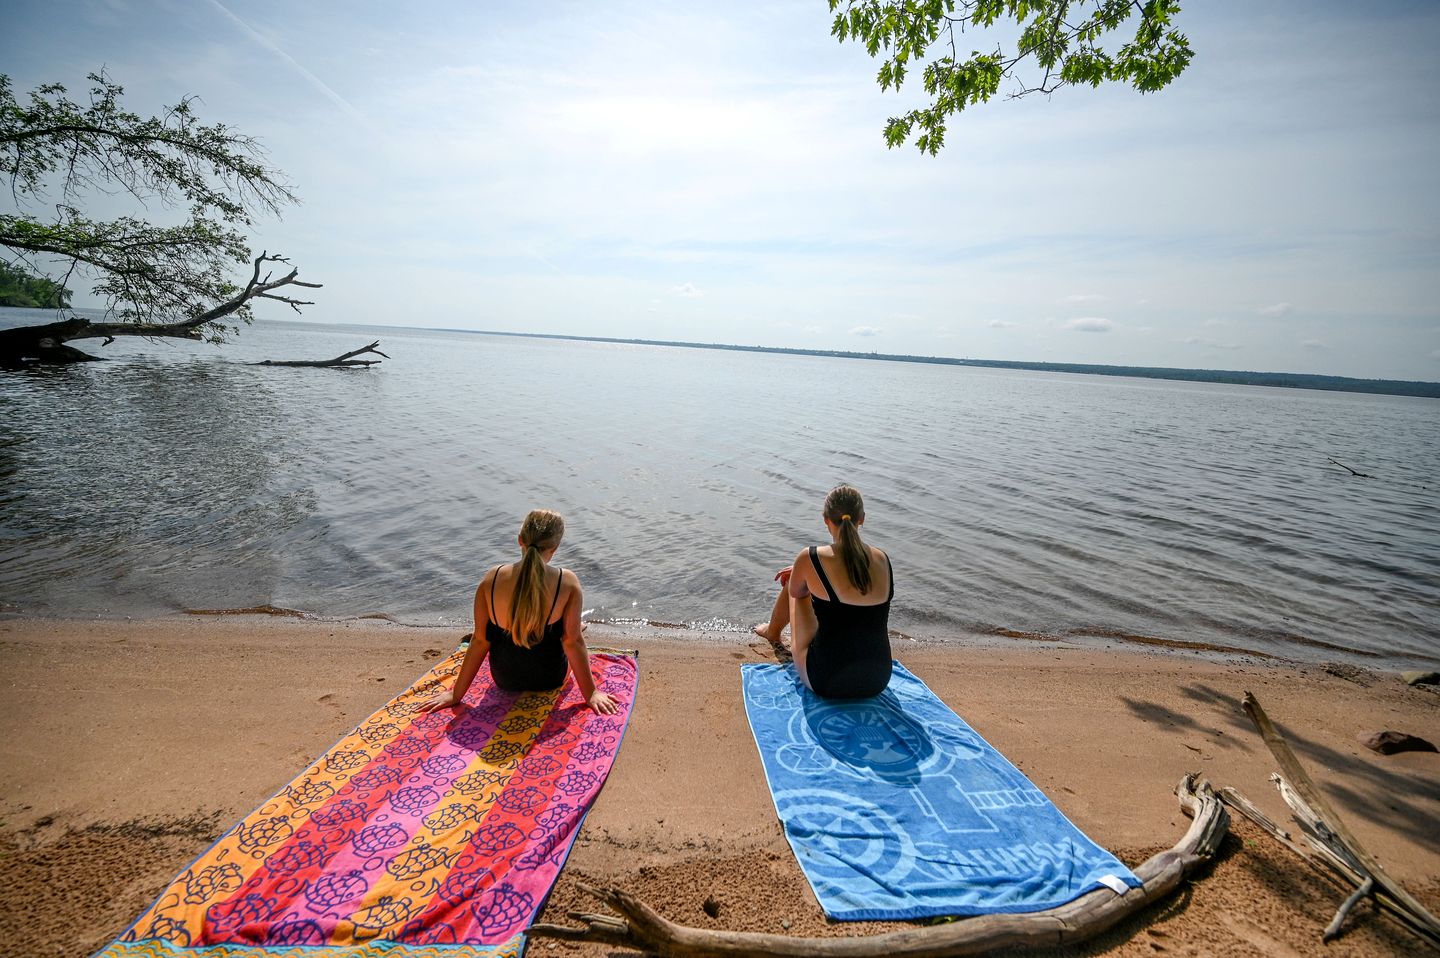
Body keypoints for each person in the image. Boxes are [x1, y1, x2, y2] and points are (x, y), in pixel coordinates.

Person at [419, 509, 617, 714]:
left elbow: (479, 640)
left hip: (505, 678)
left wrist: (456, 694)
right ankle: (574, 624)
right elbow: (572, 642)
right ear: (555, 548)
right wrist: (591, 693)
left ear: (519, 539)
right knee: (570, 632)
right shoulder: (566, 581)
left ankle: (569, 624)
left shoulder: (492, 578)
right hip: (550, 678)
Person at [753, 484, 894, 698]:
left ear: (825, 518)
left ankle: (773, 632)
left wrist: (803, 571)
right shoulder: (882, 559)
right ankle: (774, 630)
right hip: (877, 680)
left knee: (795, 582)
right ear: (862, 518)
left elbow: (797, 592)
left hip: (825, 679)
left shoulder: (811, 557)